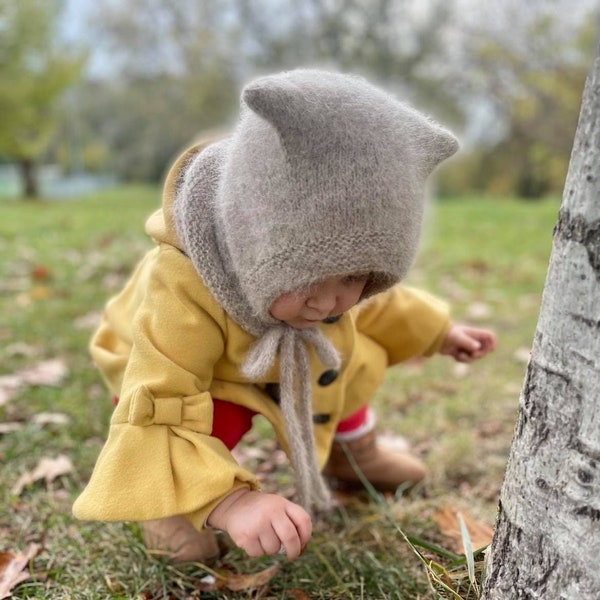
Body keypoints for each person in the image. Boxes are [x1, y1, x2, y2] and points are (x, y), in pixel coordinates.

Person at [73, 69, 496, 563]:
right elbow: (160, 395)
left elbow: (384, 307)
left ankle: (350, 451)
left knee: (343, 355)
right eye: (308, 277)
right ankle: (175, 499)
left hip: (263, 353)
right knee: (210, 411)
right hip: (167, 372)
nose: (328, 301)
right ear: (256, 241)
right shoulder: (182, 285)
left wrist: (440, 332)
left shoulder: (332, 300)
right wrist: (232, 503)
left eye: (354, 279)